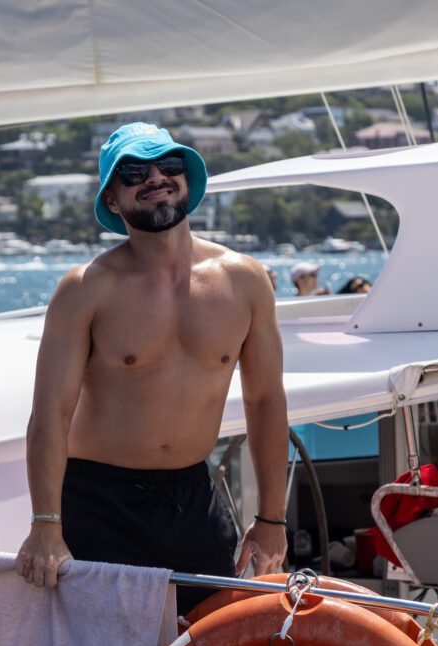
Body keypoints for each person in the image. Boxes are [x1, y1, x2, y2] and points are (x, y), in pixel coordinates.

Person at [15, 123, 289, 615]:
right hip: (98, 501)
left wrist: (272, 518)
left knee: (214, 633)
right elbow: (50, 414)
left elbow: (265, 400)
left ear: (189, 177)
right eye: (134, 172)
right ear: (113, 200)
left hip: (193, 496)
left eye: (169, 165)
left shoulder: (244, 281)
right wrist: (45, 524)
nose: (157, 177)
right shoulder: (85, 289)